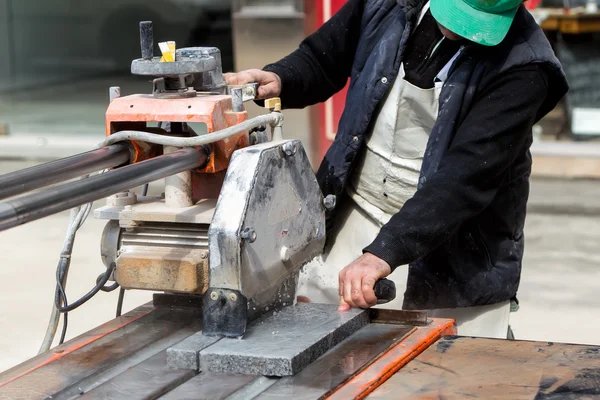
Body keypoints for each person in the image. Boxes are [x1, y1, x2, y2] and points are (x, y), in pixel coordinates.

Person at [225, 0, 568, 339]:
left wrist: (383, 253)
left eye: (478, 21)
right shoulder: (387, 4)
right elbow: (323, 57)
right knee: (325, 343)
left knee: (447, 370)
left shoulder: (526, 66)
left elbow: (464, 179)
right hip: (356, 210)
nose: (462, 30)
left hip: (456, 241)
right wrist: (281, 77)